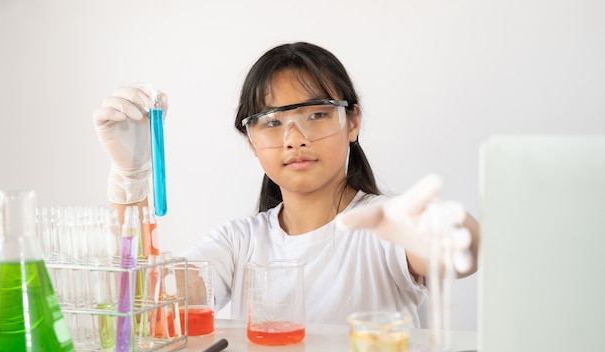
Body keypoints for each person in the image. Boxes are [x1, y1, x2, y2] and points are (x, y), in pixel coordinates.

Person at [92, 42, 479, 326]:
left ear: (353, 122)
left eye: (316, 114)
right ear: (251, 140)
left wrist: (444, 229)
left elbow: (460, 250)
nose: (295, 138)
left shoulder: (381, 225)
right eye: (273, 121)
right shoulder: (238, 243)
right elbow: (146, 298)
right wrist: (131, 182)